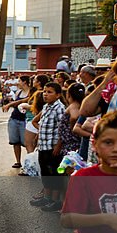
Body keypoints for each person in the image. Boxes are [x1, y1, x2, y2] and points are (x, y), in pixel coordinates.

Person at [31, 81, 67, 213]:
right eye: (45, 91)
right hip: (43, 146)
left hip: (53, 147)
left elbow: (63, 129)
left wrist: (58, 145)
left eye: (49, 92)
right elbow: (40, 123)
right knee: (45, 173)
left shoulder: (60, 108)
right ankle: (47, 197)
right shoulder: (46, 107)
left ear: (58, 95)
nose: (45, 94)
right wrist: (37, 136)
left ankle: (55, 201)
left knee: (54, 174)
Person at [2, 76, 33, 169]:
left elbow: (23, 101)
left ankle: (29, 164)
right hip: (14, 118)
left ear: (25, 82)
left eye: (19, 81)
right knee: (15, 142)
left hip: (25, 120)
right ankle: (18, 161)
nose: (18, 82)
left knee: (28, 143)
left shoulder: (31, 92)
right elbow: (17, 103)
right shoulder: (18, 92)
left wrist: (10, 104)